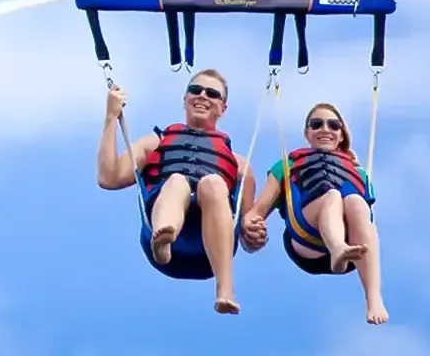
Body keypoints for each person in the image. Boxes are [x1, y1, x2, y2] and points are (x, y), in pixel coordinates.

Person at [96, 69, 256, 315]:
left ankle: (225, 290)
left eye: (212, 94)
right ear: (185, 99)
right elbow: (108, 177)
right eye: (195, 90)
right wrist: (110, 118)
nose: (202, 96)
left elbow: (249, 235)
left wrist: (256, 233)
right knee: (177, 181)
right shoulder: (155, 143)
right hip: (164, 236)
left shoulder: (240, 166)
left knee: (213, 183)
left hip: (209, 252)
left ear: (223, 108)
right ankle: (163, 240)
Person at [240, 102, 388, 325]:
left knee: (357, 202)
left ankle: (374, 298)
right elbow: (257, 212)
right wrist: (250, 229)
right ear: (307, 133)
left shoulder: (359, 173)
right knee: (332, 196)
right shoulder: (286, 166)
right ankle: (337, 247)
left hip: (355, 250)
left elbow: (368, 219)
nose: (325, 129)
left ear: (341, 135)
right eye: (317, 124)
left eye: (333, 125)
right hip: (306, 239)